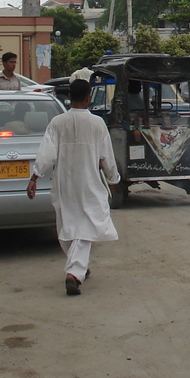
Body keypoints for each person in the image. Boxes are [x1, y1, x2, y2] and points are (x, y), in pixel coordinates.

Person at [26, 79, 120, 295]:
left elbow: (46, 153)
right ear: (88, 97)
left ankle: (77, 266)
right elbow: (107, 156)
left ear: (70, 97)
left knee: (68, 225)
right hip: (89, 182)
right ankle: (75, 272)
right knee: (85, 226)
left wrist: (35, 176)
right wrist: (113, 179)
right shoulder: (97, 123)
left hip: (64, 182)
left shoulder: (57, 123)